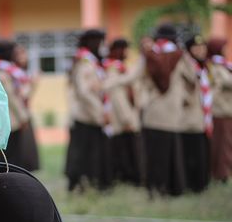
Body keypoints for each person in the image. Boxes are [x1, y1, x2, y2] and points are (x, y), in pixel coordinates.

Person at [141, 24, 187, 196]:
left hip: (153, 113)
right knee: (170, 155)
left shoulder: (150, 55)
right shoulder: (180, 56)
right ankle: (173, 188)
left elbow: (133, 76)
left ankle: (155, 189)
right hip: (172, 114)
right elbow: (192, 78)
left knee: (154, 156)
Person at [65, 29, 113, 192]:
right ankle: (77, 185)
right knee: (81, 155)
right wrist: (100, 112)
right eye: (100, 42)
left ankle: (92, 183)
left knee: (92, 154)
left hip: (91, 115)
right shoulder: (85, 62)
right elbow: (84, 92)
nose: (102, 46)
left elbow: (97, 87)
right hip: (85, 116)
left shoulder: (91, 62)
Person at [0, 40, 40, 172]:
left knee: (15, 153)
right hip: (12, 120)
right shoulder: (2, 73)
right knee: (10, 154)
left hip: (14, 118)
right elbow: (12, 98)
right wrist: (23, 117)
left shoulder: (9, 71)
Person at [104, 38, 143, 186]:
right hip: (121, 117)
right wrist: (127, 118)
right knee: (123, 149)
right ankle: (125, 177)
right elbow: (117, 95)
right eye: (125, 49)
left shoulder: (121, 67)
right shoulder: (113, 68)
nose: (127, 52)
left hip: (127, 113)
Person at [180, 35, 211, 192]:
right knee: (191, 151)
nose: (200, 51)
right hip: (189, 118)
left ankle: (201, 184)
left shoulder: (204, 67)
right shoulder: (186, 65)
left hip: (203, 118)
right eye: (196, 48)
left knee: (201, 151)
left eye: (203, 47)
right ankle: (191, 185)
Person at [207, 38, 232, 183]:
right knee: (222, 144)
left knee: (227, 143)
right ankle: (220, 173)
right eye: (223, 47)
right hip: (221, 110)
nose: (226, 50)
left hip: (227, 110)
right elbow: (228, 82)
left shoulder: (224, 65)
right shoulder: (215, 66)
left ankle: (225, 171)